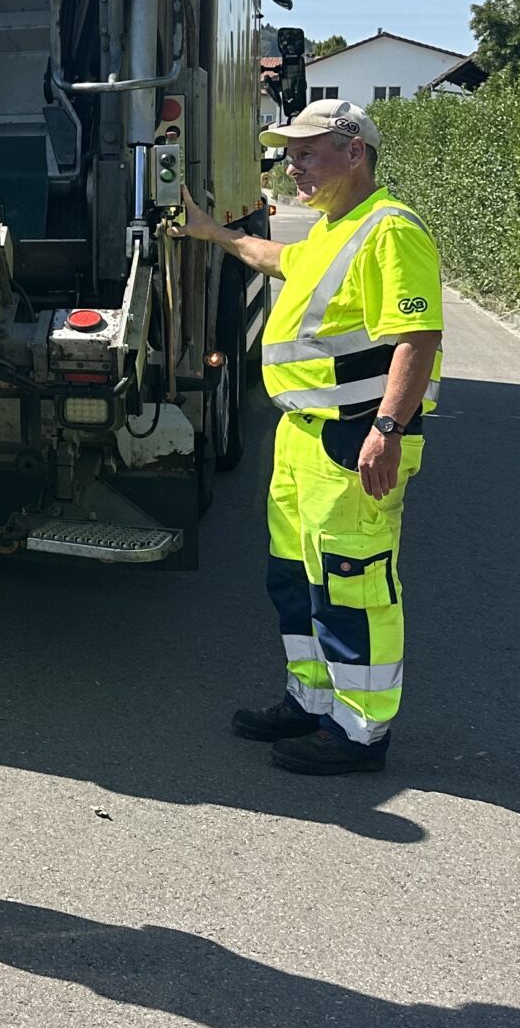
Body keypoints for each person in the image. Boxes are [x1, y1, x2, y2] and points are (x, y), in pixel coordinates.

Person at [170, 98, 443, 775]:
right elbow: (271, 256)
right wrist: (210, 232)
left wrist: (388, 426)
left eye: (308, 153)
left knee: (353, 585)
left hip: (355, 440)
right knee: (295, 580)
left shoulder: (390, 229)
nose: (293, 166)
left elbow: (419, 336)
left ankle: (360, 733)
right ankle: (311, 700)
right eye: (288, 154)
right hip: (302, 439)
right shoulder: (330, 229)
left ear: (356, 152)